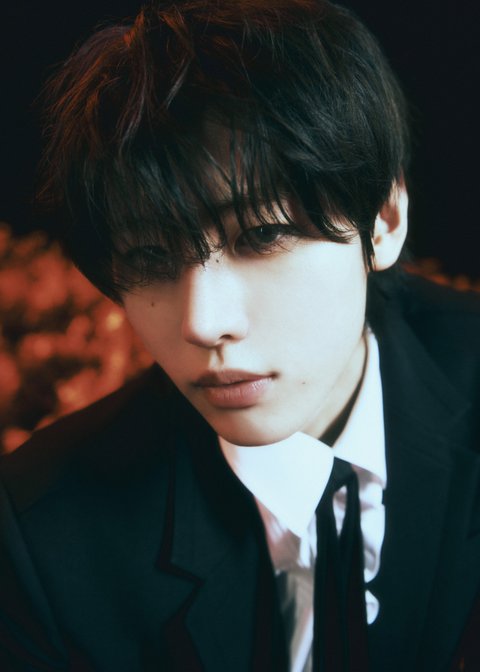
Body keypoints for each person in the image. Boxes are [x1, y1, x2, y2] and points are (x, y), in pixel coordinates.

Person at [1, 1, 479, 670]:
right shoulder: (43, 535)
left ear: (384, 219)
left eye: (263, 235)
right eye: (150, 257)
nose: (203, 323)